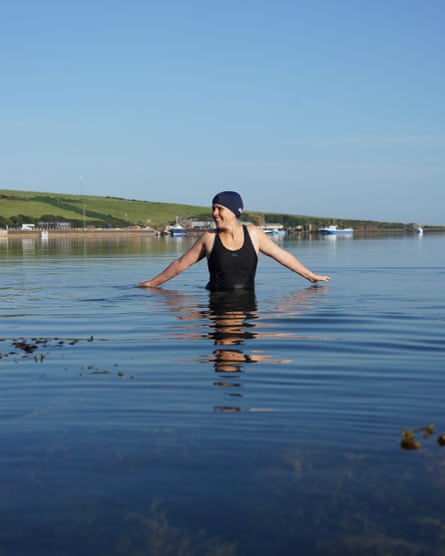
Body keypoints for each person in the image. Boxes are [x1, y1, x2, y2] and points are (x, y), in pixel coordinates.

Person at [138, 191, 330, 291]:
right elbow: (181, 264)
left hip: (248, 301)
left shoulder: (254, 234)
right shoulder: (209, 238)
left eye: (220, 208)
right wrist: (153, 283)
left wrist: (310, 276)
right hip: (215, 301)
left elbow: (284, 257)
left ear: (234, 211)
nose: (215, 213)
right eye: (213, 208)